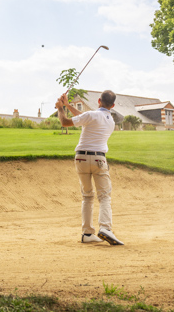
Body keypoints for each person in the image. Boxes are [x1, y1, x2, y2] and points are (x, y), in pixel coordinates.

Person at [55, 90, 124, 246]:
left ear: (98, 101)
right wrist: (66, 105)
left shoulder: (91, 115)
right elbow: (84, 117)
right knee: (104, 196)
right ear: (112, 105)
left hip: (80, 158)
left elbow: (66, 122)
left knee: (87, 196)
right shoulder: (110, 121)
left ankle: (87, 233)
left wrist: (60, 108)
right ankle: (105, 228)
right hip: (99, 159)